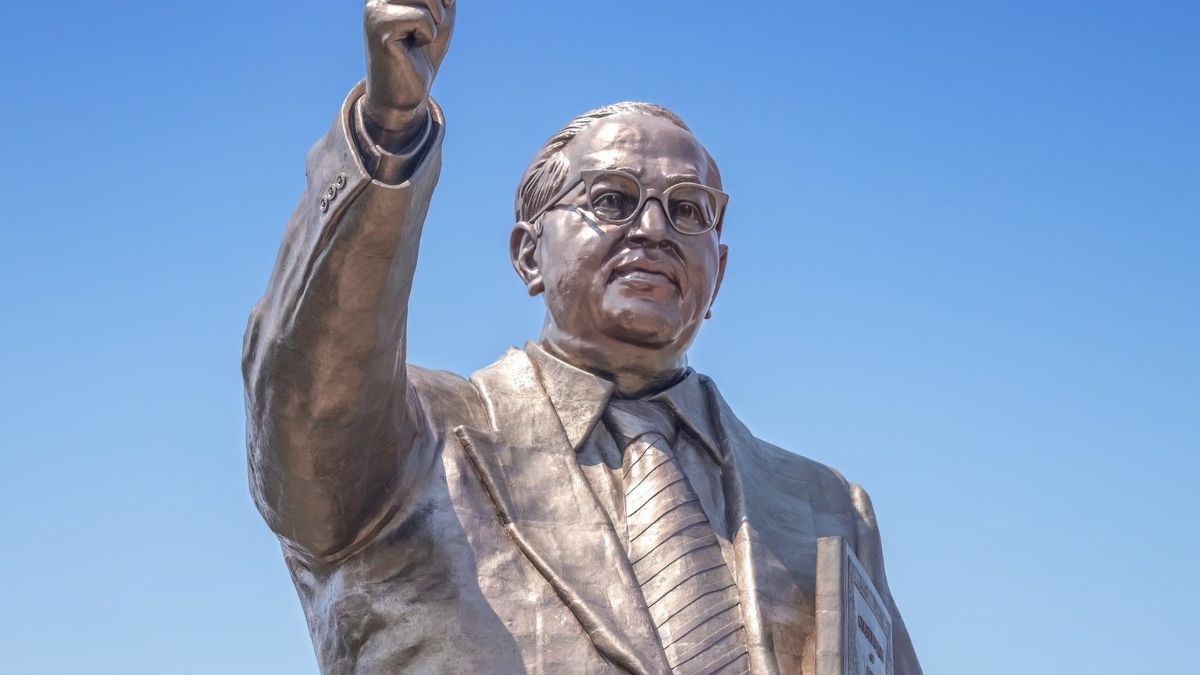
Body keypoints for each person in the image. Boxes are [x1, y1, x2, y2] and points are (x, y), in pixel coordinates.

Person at [243, 2, 923, 673]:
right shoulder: (411, 443)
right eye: (612, 200)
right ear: (528, 254)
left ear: (720, 272)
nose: (655, 229)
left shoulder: (827, 506)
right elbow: (309, 388)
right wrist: (389, 131)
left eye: (688, 209)